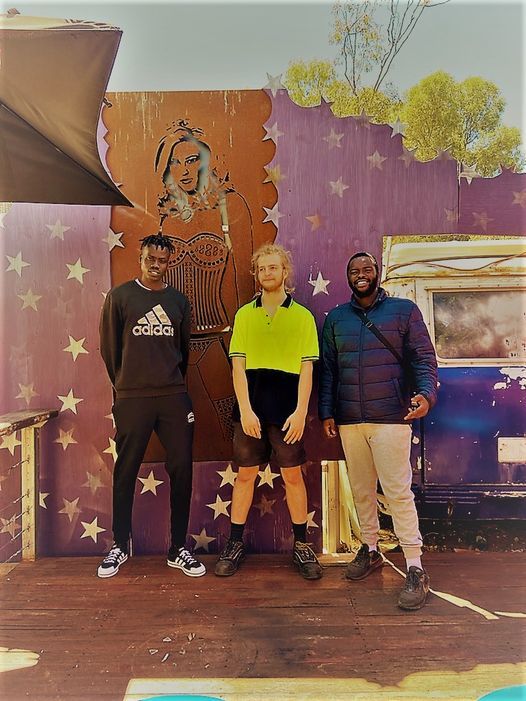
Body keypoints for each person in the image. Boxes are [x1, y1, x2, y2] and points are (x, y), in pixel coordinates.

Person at [319, 251, 438, 609]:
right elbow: (329, 371)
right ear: (348, 277)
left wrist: (426, 395)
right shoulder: (336, 318)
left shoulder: (404, 311)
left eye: (367, 269)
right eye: (354, 270)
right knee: (361, 490)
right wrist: (327, 412)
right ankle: (370, 549)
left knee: (398, 492)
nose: (361, 274)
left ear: (377, 273)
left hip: (391, 418)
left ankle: (415, 566)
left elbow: (424, 359)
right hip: (350, 420)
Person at [97, 233, 205, 579]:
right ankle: (119, 545)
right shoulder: (120, 297)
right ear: (140, 259)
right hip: (132, 397)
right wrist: (126, 386)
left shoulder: (178, 301)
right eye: (150, 259)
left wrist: (169, 381)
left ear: (169, 263)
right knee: (126, 469)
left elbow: (183, 351)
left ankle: (178, 548)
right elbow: (109, 350)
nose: (155, 265)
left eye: (162, 260)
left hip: (173, 395)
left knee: (182, 468)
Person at [214, 243, 323, 580]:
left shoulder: (302, 317)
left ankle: (301, 545)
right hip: (251, 411)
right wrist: (246, 411)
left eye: (273, 267)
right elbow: (237, 366)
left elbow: (307, 369)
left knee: (293, 476)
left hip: (288, 411)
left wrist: (301, 411)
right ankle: (234, 543)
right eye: (261, 269)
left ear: (284, 271)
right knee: (245, 475)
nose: (267, 273)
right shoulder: (245, 315)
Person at [154, 120, 255, 461]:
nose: (184, 170)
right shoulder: (164, 216)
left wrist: (241, 341)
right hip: (173, 343)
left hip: (217, 339)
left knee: (234, 429)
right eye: (175, 162)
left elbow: (244, 279)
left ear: (207, 161)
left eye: (192, 159)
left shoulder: (230, 206)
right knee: (172, 430)